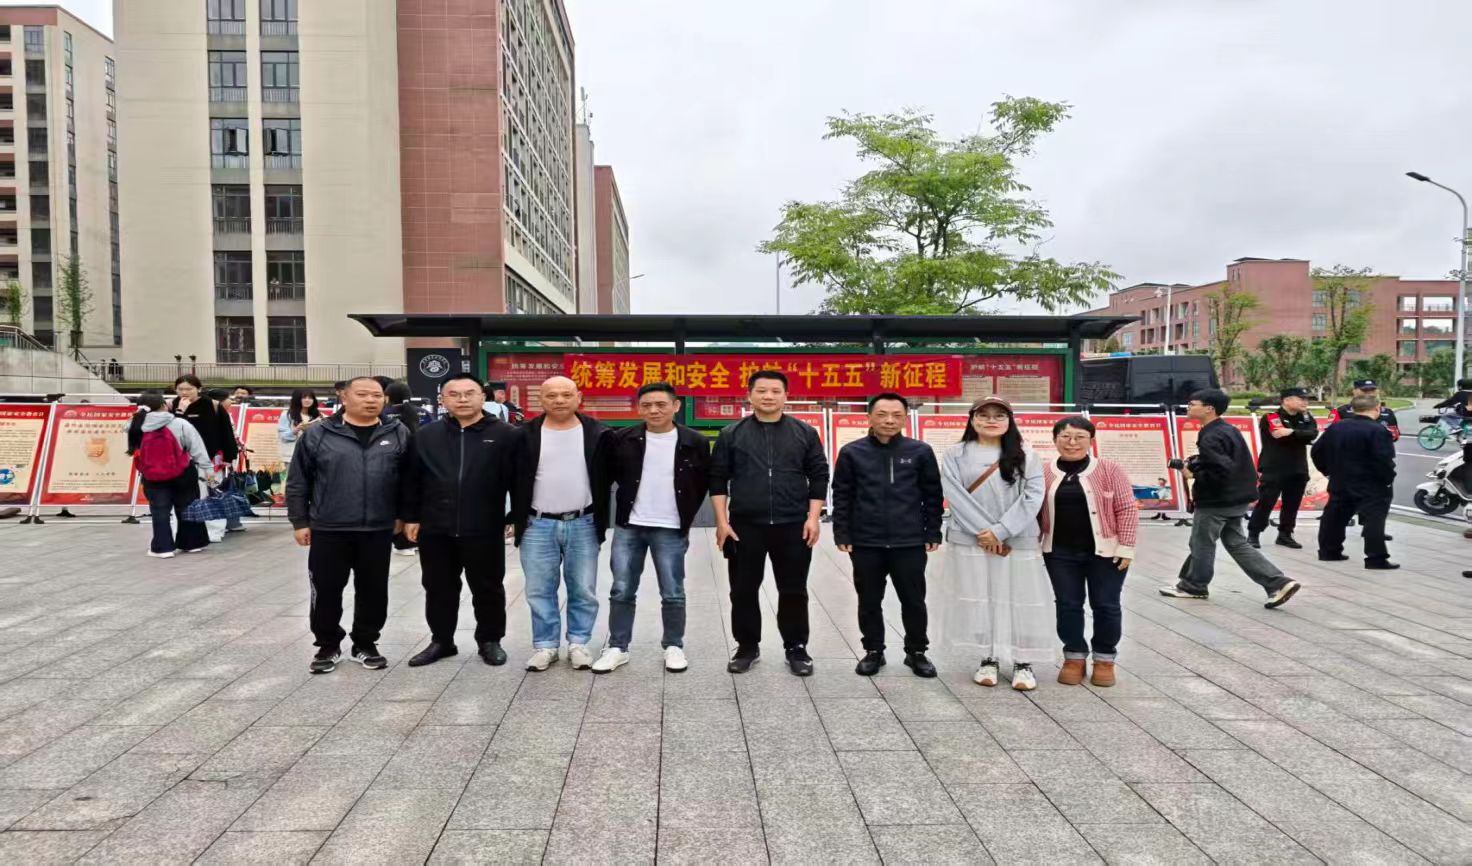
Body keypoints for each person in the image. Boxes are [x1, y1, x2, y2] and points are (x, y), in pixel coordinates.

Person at [286, 377, 411, 675]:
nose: (371, 400)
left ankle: (365, 643)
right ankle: (327, 645)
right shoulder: (318, 433)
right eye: (363, 394)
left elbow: (408, 480)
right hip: (329, 526)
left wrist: (404, 515)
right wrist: (300, 521)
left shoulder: (397, 432)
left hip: (378, 527)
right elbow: (298, 481)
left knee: (373, 589)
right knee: (326, 589)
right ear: (344, 397)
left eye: (377, 395)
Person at [709, 370, 829, 677]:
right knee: (743, 589)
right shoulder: (731, 434)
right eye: (761, 391)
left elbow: (819, 476)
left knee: (793, 589)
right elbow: (718, 479)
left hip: (793, 524)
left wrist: (813, 518)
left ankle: (796, 647)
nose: (768, 396)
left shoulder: (804, 432)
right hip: (745, 525)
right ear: (749, 395)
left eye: (775, 391)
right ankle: (747, 646)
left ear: (786, 396)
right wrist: (722, 522)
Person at [401, 375, 522, 668]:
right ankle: (442, 640)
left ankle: (490, 640)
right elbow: (411, 479)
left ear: (483, 397)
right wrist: (411, 517)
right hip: (435, 527)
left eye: (470, 393)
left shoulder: (507, 434)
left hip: (484, 526)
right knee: (438, 587)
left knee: (488, 587)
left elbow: (519, 481)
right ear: (443, 399)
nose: (463, 399)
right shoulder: (426, 435)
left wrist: (516, 516)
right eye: (454, 394)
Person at [592, 382, 712, 674]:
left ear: (676, 406)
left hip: (670, 527)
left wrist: (685, 516)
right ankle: (618, 647)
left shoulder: (694, 441)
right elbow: (607, 476)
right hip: (629, 526)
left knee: (672, 591)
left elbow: (702, 482)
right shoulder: (623, 438)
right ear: (639, 408)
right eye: (646, 405)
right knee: (621, 589)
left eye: (661, 404)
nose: (654, 410)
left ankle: (673, 645)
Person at [939, 396, 1049, 691]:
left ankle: (1023, 662)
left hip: (1016, 540)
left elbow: (1033, 497)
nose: (991, 420)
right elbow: (955, 495)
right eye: (983, 414)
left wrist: (1001, 531)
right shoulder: (955, 454)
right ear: (972, 419)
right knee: (981, 596)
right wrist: (984, 532)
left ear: (1009, 421)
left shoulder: (1027, 455)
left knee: (1020, 597)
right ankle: (988, 658)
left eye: (999, 415)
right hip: (972, 540)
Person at [831, 393, 942, 679]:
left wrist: (932, 531)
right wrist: (842, 532)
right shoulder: (852, 452)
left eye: (896, 415)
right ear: (869, 417)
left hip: (910, 541)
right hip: (866, 541)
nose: (889, 420)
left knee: (913, 600)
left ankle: (916, 651)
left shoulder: (920, 451)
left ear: (905, 418)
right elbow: (842, 495)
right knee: (869, 599)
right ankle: (873, 651)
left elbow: (932, 494)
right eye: (882, 414)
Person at [1160, 389, 1302, 609]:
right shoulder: (1227, 429)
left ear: (1209, 409)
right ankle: (1278, 583)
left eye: (1193, 404)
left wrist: (1194, 474)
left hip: (1217, 500)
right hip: (1237, 497)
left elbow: (1221, 469)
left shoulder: (1210, 435)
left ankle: (1194, 586)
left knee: (1202, 542)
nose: (1188, 407)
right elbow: (1230, 463)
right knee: (1236, 543)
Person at [510, 376, 608, 672]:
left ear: (579, 397)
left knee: (583, 589)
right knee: (539, 589)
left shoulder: (598, 433)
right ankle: (546, 645)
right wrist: (510, 517)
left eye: (566, 394)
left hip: (583, 522)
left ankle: (578, 643)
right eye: (551, 395)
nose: (559, 400)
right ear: (541, 399)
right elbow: (508, 477)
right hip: (537, 524)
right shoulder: (523, 435)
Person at [1038, 416, 1138, 688]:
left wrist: (1126, 546)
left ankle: (1104, 659)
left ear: (1091, 441)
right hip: (1059, 553)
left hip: (1106, 553)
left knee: (1106, 604)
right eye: (1065, 437)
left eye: (1079, 437)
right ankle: (1074, 656)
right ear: (1055, 440)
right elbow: (1034, 510)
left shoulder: (1109, 469)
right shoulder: (1044, 471)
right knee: (1068, 604)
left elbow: (1126, 508)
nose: (1072, 443)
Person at [1311, 393, 1398, 569]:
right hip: (1371, 483)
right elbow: (1383, 460)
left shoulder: (1337, 427)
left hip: (1341, 479)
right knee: (1374, 519)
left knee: (1334, 516)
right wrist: (1387, 479)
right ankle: (1375, 558)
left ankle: (1329, 551)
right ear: (1377, 408)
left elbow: (1317, 451)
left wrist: (1328, 471)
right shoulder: (1378, 430)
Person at [127, 391, 213, 557]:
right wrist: (207, 470)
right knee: (187, 507)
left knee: (160, 511)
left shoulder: (135, 425)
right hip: (183, 472)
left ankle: (163, 548)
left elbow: (134, 448)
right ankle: (192, 543)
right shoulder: (179, 423)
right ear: (163, 405)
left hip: (152, 474)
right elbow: (197, 448)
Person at [1247, 387, 1319, 550]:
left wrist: (1291, 431)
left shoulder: (1306, 417)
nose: (1305, 402)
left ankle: (1285, 534)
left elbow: (1313, 434)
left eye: (1306, 399)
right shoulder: (1271, 417)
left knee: (1292, 504)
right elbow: (1279, 436)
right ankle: (1253, 534)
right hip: (1275, 467)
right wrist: (1299, 434)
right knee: (1266, 502)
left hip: (1297, 468)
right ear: (1286, 400)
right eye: (1301, 399)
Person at [170, 376, 239, 540]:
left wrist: (229, 456)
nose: (185, 392)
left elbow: (226, 431)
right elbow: (173, 430)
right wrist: (181, 411)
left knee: (212, 492)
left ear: (198, 389)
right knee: (183, 495)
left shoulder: (212, 405)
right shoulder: (171, 405)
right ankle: (183, 530)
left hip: (211, 458)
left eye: (189, 389)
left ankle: (214, 531)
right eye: (181, 389)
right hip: (181, 460)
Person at [383, 381, 423, 556]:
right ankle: (413, 539)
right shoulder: (421, 412)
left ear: (387, 396)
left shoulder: (384, 414)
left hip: (390, 462)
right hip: (418, 461)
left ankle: (399, 541)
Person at [1330, 379, 1400, 441]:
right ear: (1354, 391)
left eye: (1372, 390)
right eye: (1365, 390)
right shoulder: (1341, 411)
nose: (1369, 393)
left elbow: (1395, 436)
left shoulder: (1387, 413)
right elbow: (1331, 434)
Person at [277, 388, 322, 470]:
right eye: (304, 397)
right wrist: (296, 430)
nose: (307, 400)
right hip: (292, 456)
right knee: (294, 478)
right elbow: (283, 436)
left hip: (312, 456)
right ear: (297, 399)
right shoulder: (287, 415)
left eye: (310, 398)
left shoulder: (318, 416)